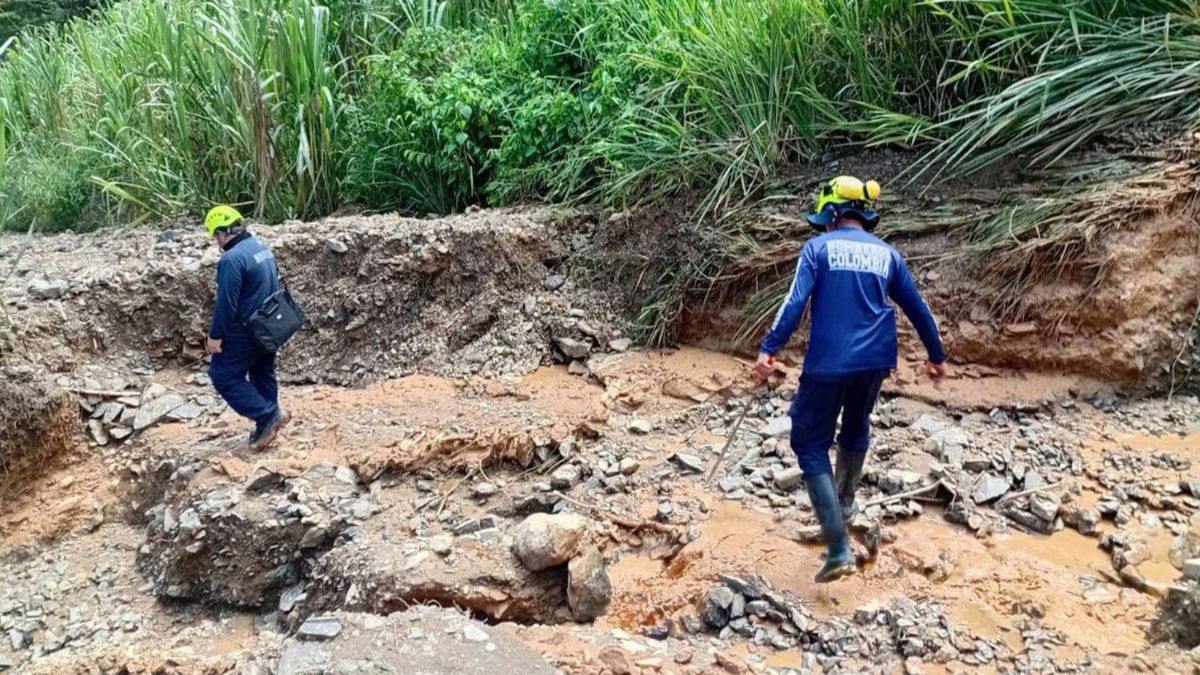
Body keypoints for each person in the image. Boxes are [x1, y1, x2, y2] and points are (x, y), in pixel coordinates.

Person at [753, 176, 947, 583]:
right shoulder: (888, 255)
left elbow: (793, 304)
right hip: (876, 361)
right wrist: (936, 356)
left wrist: (769, 349)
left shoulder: (817, 249)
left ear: (835, 213)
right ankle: (844, 503)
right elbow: (918, 307)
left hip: (829, 362)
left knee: (808, 441)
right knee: (856, 425)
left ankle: (838, 547)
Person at [203, 205, 289, 450]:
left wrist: (215, 336)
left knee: (222, 375)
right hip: (270, 324)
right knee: (262, 371)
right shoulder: (261, 248)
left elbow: (226, 303)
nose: (216, 242)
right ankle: (268, 424)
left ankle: (267, 415)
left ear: (222, 233)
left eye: (215, 236)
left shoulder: (231, 259)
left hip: (247, 330)